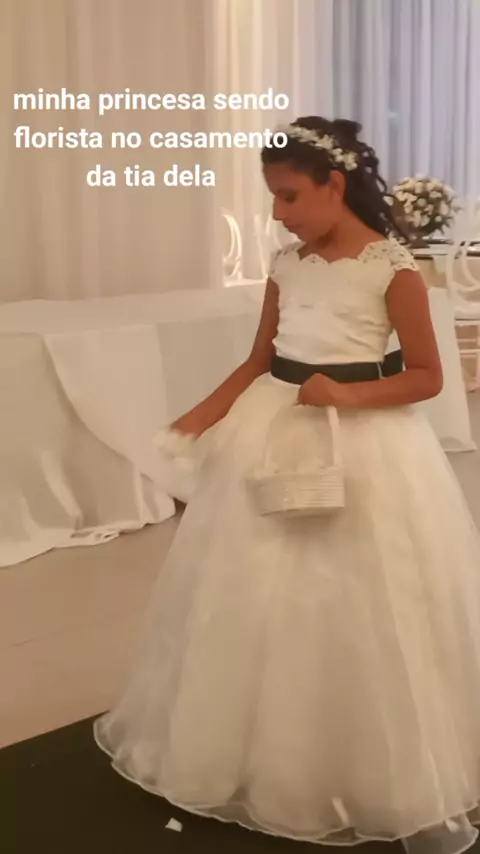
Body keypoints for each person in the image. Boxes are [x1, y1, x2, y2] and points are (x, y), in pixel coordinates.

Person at [94, 117, 480, 853]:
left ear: (335, 185)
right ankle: (246, 749)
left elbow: (429, 376)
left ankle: (363, 761)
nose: (277, 213)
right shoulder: (287, 264)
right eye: (272, 196)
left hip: (364, 440)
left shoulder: (391, 267)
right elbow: (258, 360)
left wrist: (348, 394)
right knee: (251, 584)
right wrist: (197, 418)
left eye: (290, 196)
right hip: (273, 426)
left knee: (357, 590)